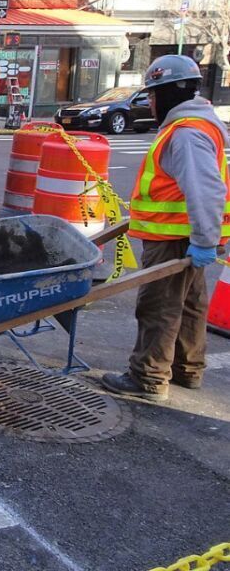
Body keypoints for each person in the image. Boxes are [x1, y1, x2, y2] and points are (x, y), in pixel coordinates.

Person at [102, 55, 230, 402]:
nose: (152, 103)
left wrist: (205, 241)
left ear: (171, 93)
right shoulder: (196, 127)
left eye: (154, 95)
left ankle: (147, 377)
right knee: (189, 304)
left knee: (159, 307)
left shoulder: (187, 134)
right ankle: (187, 369)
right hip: (187, 235)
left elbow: (206, 189)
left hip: (175, 238)